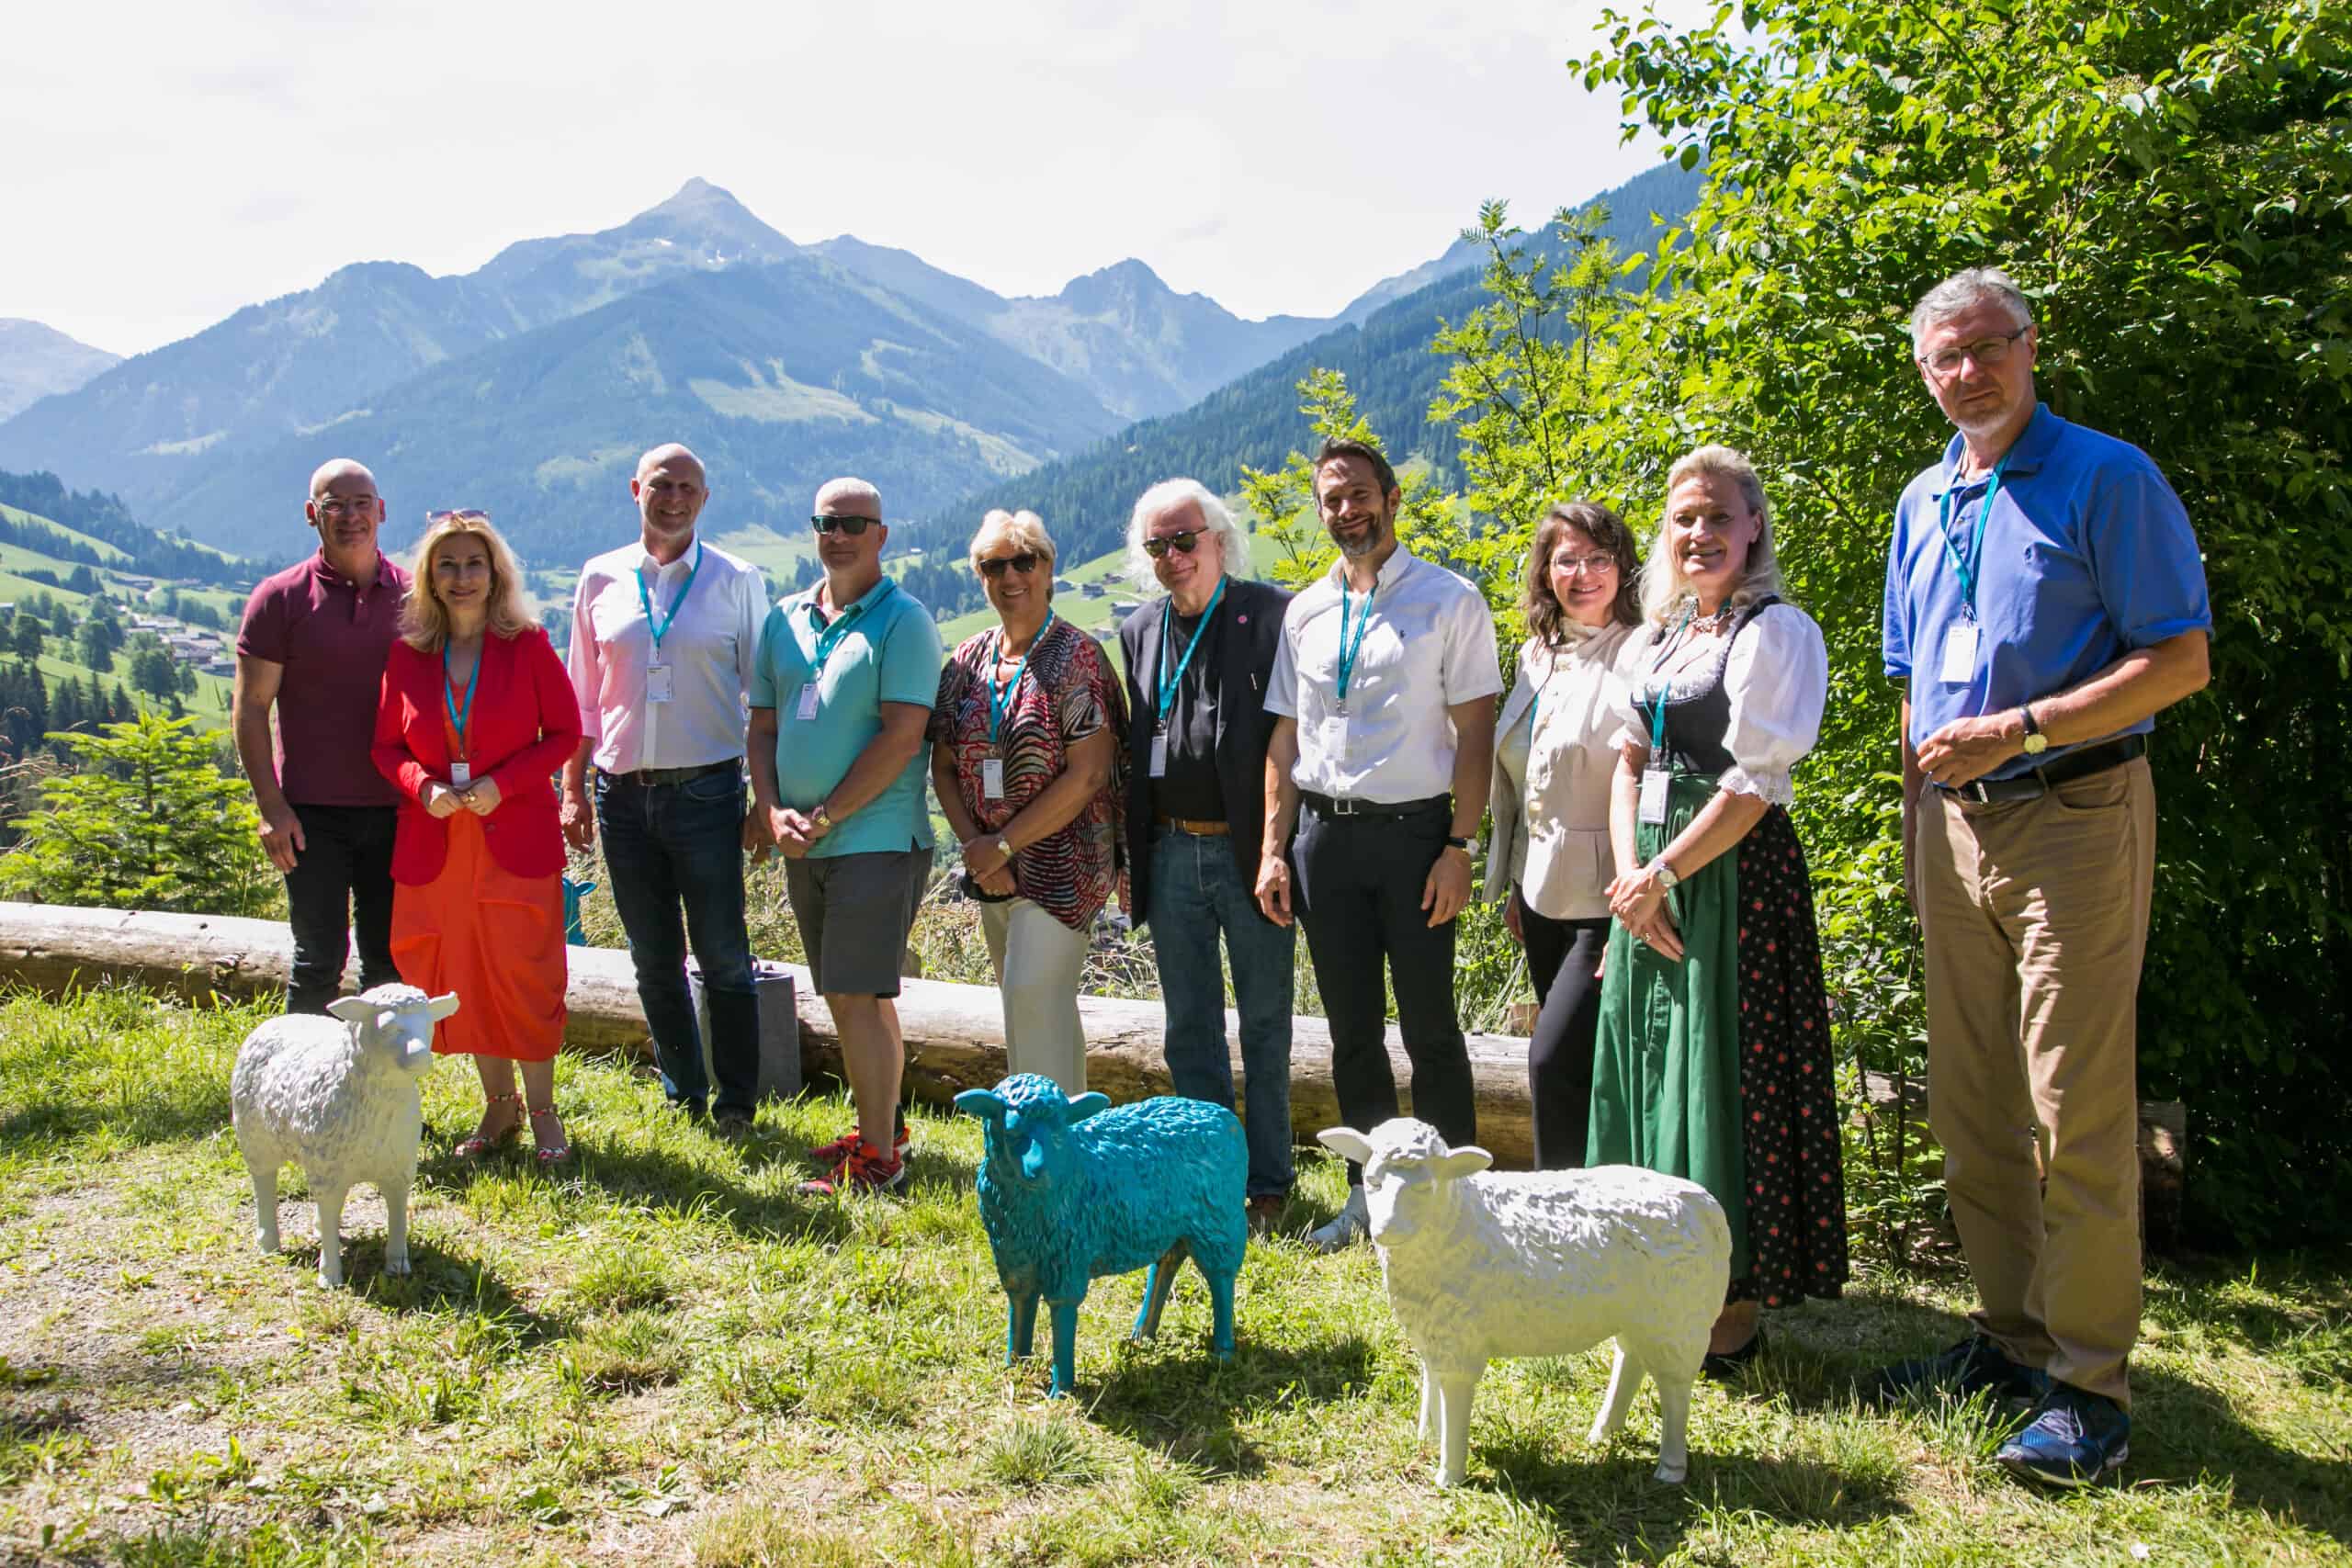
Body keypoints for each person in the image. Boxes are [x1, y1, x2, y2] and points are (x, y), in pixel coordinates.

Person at [1870, 268, 2211, 1486]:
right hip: (1951, 829)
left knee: (2075, 1106)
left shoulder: (2106, 476)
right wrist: (1928, 794)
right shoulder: (1921, 499)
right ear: (1924, 373)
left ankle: (2088, 1386)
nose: (1971, 372)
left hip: (2076, 813)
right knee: (1970, 1099)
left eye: (1989, 348)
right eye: (1946, 358)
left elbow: (2179, 658)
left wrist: (2016, 732)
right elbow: (1913, 667)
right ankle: (2010, 1339)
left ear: (2029, 346)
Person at [1589, 444, 1847, 1376]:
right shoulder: (1658, 637)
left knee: (1723, 1072)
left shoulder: (1775, 632)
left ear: (1753, 530)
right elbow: (1626, 761)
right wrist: (1628, 878)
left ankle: (1730, 1314)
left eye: (1717, 517)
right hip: (1652, 874)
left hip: (1730, 876)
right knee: (1655, 1069)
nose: (1698, 533)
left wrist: (1658, 872)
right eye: (1682, 518)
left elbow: (1750, 784)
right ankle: (1656, 1275)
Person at [1256, 439, 1501, 1253]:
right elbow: (1285, 739)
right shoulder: (1305, 611)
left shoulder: (1450, 600)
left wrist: (1460, 845)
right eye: (1331, 499)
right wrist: (1274, 847)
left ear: (1393, 497)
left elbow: (1476, 734)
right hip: (1325, 839)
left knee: (1432, 1027)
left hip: (1416, 837)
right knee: (1351, 1030)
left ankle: (1459, 1205)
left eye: (1359, 494)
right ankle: (1368, 1204)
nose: (1346, 511)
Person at [560, 445, 768, 1134]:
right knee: (652, 956)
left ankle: (738, 1097)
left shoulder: (737, 579)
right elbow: (580, 704)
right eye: (661, 485)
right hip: (620, 795)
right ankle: (684, 1090)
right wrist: (572, 792)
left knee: (723, 953)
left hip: (707, 791)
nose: (673, 498)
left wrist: (764, 800)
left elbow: (761, 698)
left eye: (688, 488)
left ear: (705, 499)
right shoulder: (598, 578)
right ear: (635, 489)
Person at [747, 478, 944, 1196]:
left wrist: (823, 815)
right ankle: (881, 1135)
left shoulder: (904, 621)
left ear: (881, 535)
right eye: (826, 521)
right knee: (850, 995)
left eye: (854, 522)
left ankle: (881, 1160)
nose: (838, 534)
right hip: (804, 840)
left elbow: (902, 738)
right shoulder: (786, 618)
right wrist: (771, 811)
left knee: (858, 994)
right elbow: (763, 727)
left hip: (876, 839)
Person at [371, 511, 582, 1162]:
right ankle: (499, 1108)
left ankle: (545, 1111)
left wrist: (507, 783)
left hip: (513, 840)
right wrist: (421, 785)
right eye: (448, 564)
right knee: (464, 976)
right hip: (437, 846)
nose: (462, 577)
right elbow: (385, 747)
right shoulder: (408, 655)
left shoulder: (529, 644)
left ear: (496, 574)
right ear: (429, 577)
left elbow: (567, 734)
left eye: (474, 564)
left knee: (524, 974)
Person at [1116, 479, 1296, 1230]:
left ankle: (1268, 1180)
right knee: (1188, 1025)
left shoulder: (1272, 615)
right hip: (1169, 850)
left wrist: (1277, 850)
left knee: (1264, 1022)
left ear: (1220, 538)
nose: (1172, 555)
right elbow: (1134, 749)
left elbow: (1289, 737)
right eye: (1157, 545)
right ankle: (1207, 1174)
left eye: (1185, 539)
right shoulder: (1138, 631)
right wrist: (1132, 859)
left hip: (1248, 853)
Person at [931, 510, 1127, 1093]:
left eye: (1024, 561)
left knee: (1029, 999)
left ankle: (1036, 1158)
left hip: (1063, 867)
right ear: (980, 576)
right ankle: (1070, 1151)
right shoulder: (967, 659)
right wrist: (975, 847)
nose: (1010, 576)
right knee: (1040, 1014)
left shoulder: (1078, 657)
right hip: (989, 867)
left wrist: (1004, 844)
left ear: (1048, 569)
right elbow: (942, 764)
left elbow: (1089, 776)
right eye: (994, 566)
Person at [1484, 502, 1642, 1171]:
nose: (1582, 573)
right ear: (1545, 572)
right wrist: (1518, 884)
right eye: (1566, 559)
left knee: (1551, 1060)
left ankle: (1562, 1212)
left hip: (1609, 901)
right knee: (1582, 1066)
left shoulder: (1648, 650)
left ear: (1624, 566)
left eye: (1598, 557)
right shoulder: (1537, 654)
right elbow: (1528, 781)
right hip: (1544, 893)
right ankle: (1594, 1206)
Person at [234, 459, 413, 1015]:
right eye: (335, 504)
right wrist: (271, 807)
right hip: (310, 814)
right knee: (318, 961)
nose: (351, 516)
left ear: (381, 511)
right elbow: (251, 708)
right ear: (313, 515)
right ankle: (297, 1087)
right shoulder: (279, 598)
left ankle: (378, 1093)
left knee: (390, 964)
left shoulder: (417, 596)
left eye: (361, 503)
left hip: (400, 809)